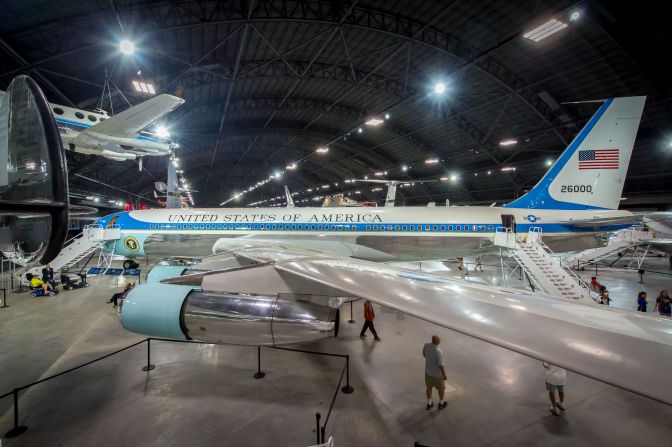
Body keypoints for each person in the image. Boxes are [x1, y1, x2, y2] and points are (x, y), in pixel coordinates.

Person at [422, 335, 448, 410]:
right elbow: (440, 365)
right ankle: (441, 403)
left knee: (429, 387)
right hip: (437, 375)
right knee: (441, 389)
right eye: (439, 340)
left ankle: (429, 403)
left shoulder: (426, 345)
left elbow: (424, 354)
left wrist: (429, 360)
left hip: (428, 373)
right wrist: (444, 375)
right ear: (438, 342)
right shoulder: (438, 351)